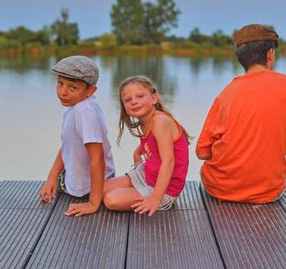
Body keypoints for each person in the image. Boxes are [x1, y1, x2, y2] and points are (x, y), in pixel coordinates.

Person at [196, 24, 286, 203]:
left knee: (205, 181)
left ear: (241, 59)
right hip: (267, 193)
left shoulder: (226, 93)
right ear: (270, 53)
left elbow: (202, 152)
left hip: (219, 189)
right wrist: (276, 142)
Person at [39, 55, 115, 216]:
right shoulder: (77, 107)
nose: (63, 92)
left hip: (88, 185)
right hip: (86, 176)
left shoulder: (84, 112)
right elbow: (68, 145)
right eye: (60, 83)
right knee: (49, 185)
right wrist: (51, 177)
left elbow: (97, 158)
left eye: (73, 87)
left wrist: (93, 203)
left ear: (90, 90)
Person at [103, 75, 190, 216]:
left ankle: (153, 196)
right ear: (124, 106)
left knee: (111, 199)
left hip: (164, 190)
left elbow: (169, 162)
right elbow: (142, 151)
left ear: (154, 99)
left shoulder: (160, 121)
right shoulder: (146, 121)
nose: (134, 102)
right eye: (128, 100)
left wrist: (155, 199)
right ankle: (139, 187)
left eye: (140, 96)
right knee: (100, 190)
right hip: (147, 176)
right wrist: (139, 168)